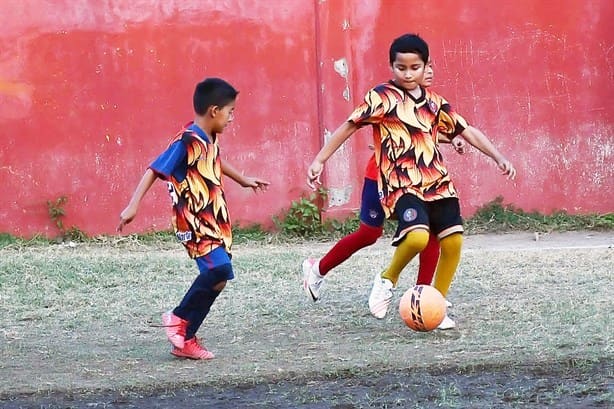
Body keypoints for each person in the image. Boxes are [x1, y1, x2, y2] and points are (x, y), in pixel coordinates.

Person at [307, 34, 516, 329]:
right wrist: (320, 159)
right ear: (392, 66)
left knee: (449, 241)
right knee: (396, 235)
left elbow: (460, 130)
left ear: (426, 67)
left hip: (436, 182)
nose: (408, 74)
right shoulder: (381, 97)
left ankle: (431, 303)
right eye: (401, 68)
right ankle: (375, 277)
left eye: (415, 67)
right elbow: (351, 126)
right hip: (395, 180)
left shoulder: (435, 103)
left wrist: (496, 155)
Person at [117, 77, 268, 359]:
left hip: (213, 220)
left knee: (218, 278)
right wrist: (133, 205)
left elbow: (215, 159)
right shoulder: (186, 140)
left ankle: (184, 340)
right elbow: (155, 169)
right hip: (195, 221)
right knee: (219, 270)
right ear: (214, 110)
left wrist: (243, 179)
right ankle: (178, 319)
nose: (232, 118)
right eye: (230, 112)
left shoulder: (208, 137)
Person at [302, 58, 465, 303]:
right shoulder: (387, 99)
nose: (429, 71)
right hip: (380, 178)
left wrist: (451, 138)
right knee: (369, 233)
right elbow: (357, 125)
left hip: (416, 184)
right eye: (425, 66)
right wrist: (320, 159)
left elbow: (424, 130)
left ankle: (422, 299)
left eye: (430, 65)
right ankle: (317, 269)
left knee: (429, 231)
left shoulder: (431, 102)